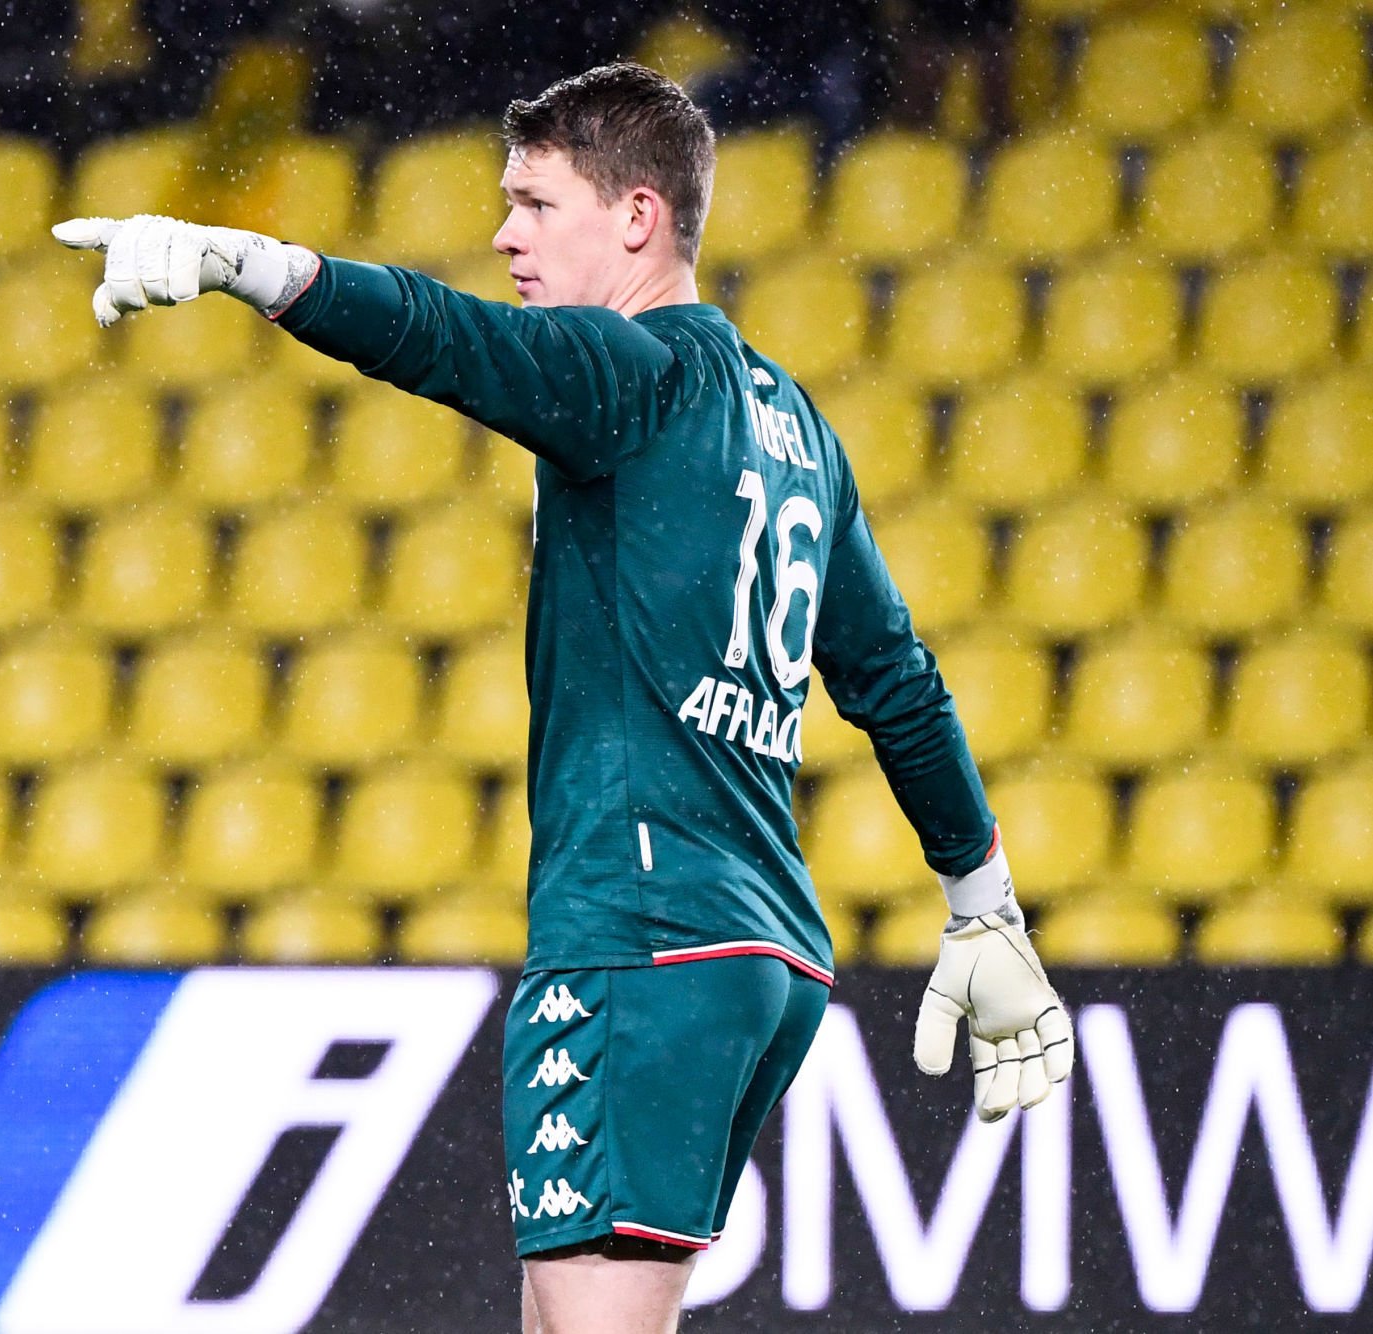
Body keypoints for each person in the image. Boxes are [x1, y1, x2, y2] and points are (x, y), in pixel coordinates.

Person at [53, 61, 1072, 1334]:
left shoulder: (628, 373)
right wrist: (981, 900)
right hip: (755, 949)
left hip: (639, 936)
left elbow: (440, 335)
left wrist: (248, 264)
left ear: (638, 217)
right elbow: (896, 681)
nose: (504, 235)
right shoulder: (798, 429)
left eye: (535, 203)